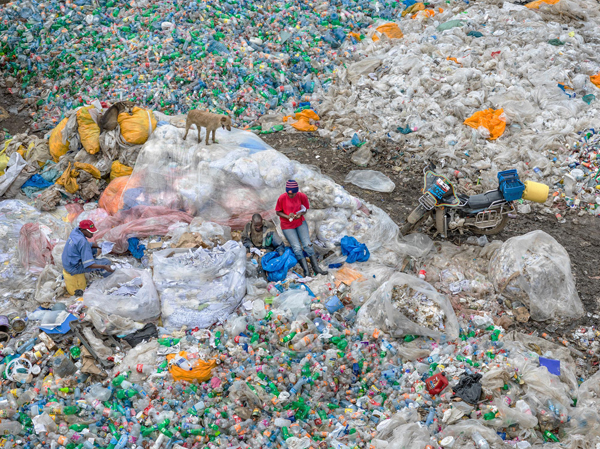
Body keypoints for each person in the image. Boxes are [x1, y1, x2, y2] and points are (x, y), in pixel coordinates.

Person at [275, 180, 327, 277]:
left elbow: (305, 209)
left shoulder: (302, 196)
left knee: (307, 245)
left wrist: (300, 214)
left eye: (293, 193)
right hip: (287, 225)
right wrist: (287, 216)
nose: (290, 195)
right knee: (297, 248)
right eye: (289, 193)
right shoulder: (282, 198)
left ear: (296, 191)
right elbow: (278, 212)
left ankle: (316, 267)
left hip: (300, 222)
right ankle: (306, 271)